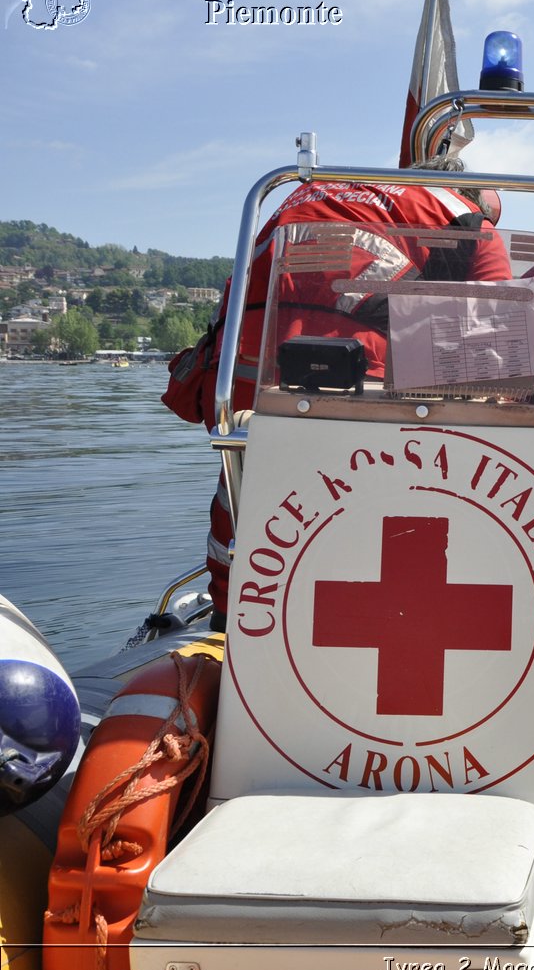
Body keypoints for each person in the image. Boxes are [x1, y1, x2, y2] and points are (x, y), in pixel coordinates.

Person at [160, 154, 510, 627]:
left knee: (245, 496)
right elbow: (498, 348)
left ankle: (228, 622)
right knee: (386, 500)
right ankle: (381, 623)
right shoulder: (466, 220)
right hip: (360, 377)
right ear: (479, 197)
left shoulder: (308, 191)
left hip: (247, 366)